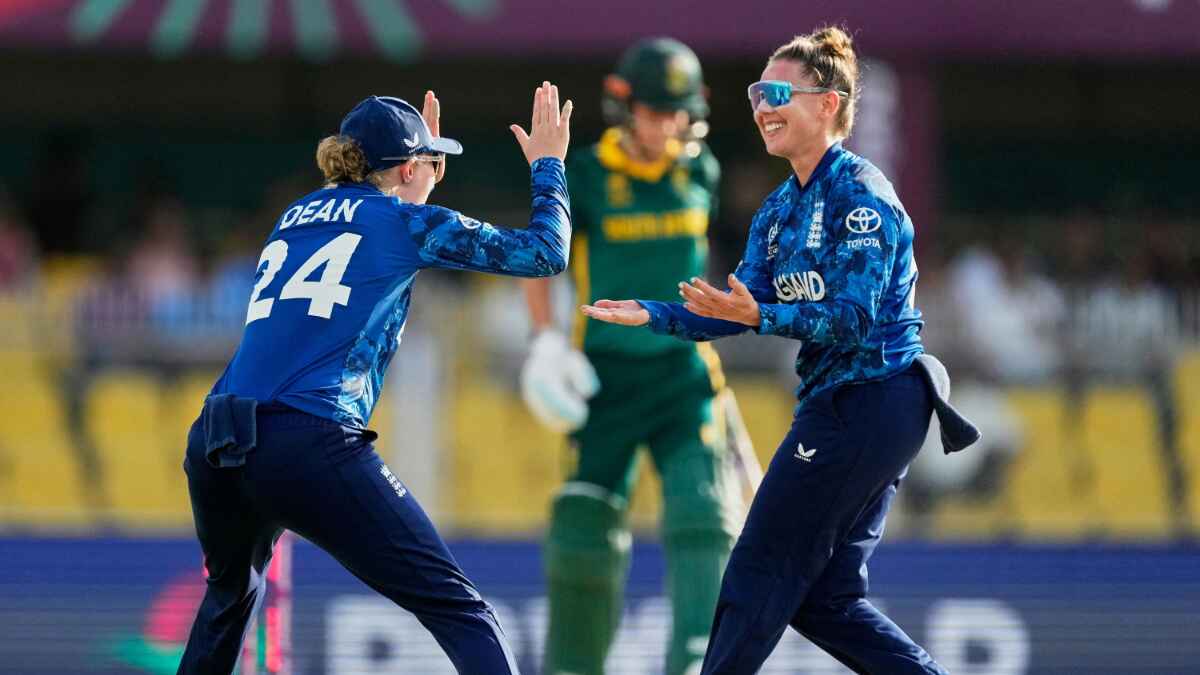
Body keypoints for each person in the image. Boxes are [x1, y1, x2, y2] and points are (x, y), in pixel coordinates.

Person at [581, 27, 977, 674]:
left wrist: (761, 314)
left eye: (779, 93)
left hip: (872, 398)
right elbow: (733, 310)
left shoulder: (861, 196)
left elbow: (852, 319)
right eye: (756, 93)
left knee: (757, 568)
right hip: (847, 407)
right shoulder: (777, 212)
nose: (763, 106)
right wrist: (655, 314)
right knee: (825, 600)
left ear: (828, 104)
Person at [177, 82, 573, 674]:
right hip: (307, 439)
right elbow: (545, 253)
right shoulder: (402, 222)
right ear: (410, 168)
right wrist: (548, 166)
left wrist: (419, 181)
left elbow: (368, 228)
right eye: (429, 163)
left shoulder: (293, 217)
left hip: (217, 438)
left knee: (226, 606)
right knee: (461, 609)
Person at [520, 38, 743, 675]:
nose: (666, 126)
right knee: (583, 530)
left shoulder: (701, 171)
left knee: (704, 513)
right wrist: (546, 339)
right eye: (654, 111)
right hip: (606, 377)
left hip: (683, 374)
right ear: (624, 106)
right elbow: (542, 257)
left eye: (676, 112)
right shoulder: (588, 175)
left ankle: (701, 662)